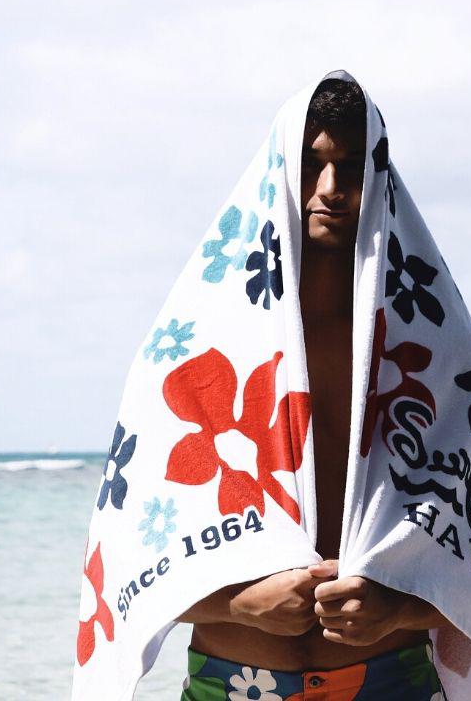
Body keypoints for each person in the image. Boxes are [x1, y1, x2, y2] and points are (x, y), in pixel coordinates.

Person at [175, 76, 451, 698]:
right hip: (235, 679)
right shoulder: (201, 340)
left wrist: (401, 609)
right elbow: (132, 561)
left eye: (350, 168)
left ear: (378, 178)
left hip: (389, 679)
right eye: (311, 165)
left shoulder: (429, 348)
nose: (330, 189)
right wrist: (237, 604)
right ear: (279, 174)